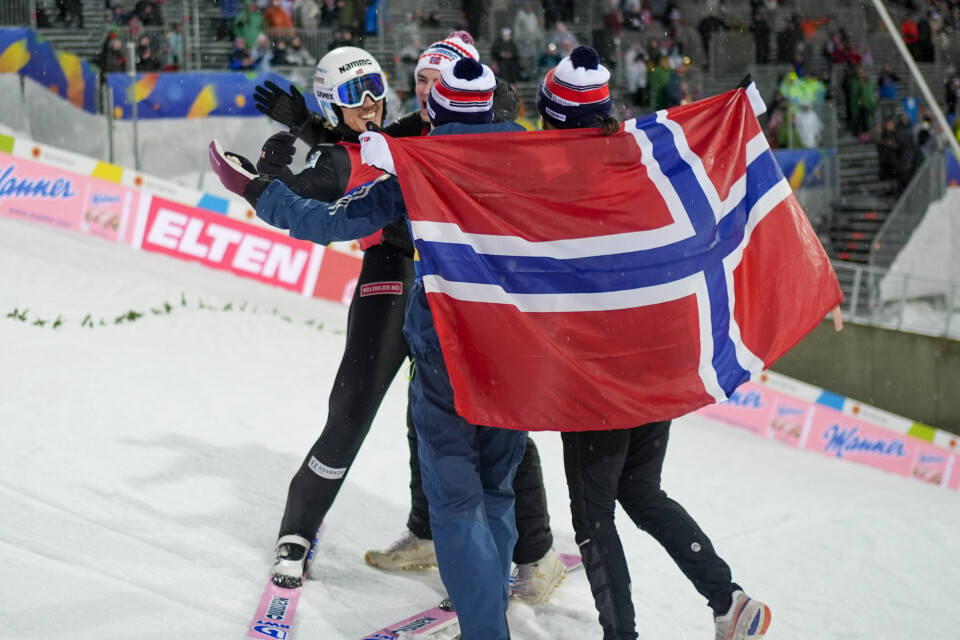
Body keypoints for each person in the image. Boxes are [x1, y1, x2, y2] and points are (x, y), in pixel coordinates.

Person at [211, 55, 529, 640]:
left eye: (378, 88)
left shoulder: (415, 136)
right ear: (333, 100)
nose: (372, 101)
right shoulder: (342, 158)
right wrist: (273, 166)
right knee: (353, 414)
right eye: (355, 92)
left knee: (483, 432)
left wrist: (309, 126)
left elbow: (395, 132)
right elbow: (304, 198)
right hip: (395, 277)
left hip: (446, 291)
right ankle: (297, 533)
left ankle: (523, 554)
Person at [536, 45, 772, 640]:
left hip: (599, 372)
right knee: (640, 491)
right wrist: (732, 110)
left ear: (554, 118)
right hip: (657, 360)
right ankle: (729, 599)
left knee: (593, 515)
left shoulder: (551, 178)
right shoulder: (641, 157)